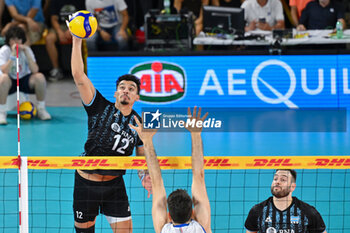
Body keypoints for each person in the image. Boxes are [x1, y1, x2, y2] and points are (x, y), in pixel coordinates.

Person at [70, 28, 152, 232]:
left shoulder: (139, 123)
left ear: (137, 98)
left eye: (131, 89)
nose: (126, 90)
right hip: (86, 183)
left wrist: (145, 176)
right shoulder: (98, 105)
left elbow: (141, 156)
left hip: (115, 186)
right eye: (122, 87)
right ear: (116, 93)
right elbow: (78, 75)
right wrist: (77, 40)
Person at [130, 107, 212, 233]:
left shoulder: (163, 228)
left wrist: (146, 141)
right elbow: (199, 176)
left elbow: (156, 183)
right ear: (193, 213)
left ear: (169, 215)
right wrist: (196, 134)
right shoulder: (202, 226)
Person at [245, 169, 327, 233]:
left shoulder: (308, 212)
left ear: (292, 187)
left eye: (283, 180)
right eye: (275, 178)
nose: (277, 182)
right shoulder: (258, 211)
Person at [0, 26, 51, 125]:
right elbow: (5, 71)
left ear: (22, 40)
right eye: (13, 39)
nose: (16, 42)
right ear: (8, 40)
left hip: (24, 79)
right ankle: (2, 113)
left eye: (18, 39)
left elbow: (35, 70)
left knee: (40, 77)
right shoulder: (4, 50)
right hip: (9, 82)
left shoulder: (26, 50)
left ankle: (41, 109)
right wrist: (13, 56)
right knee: (4, 78)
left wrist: (27, 53)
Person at [45, 0, 85, 81]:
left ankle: (80, 71)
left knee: (80, 39)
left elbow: (82, 17)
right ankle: (56, 69)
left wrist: (72, 29)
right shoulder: (55, 1)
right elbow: (53, 19)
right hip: (60, 26)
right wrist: (59, 31)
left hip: (76, 25)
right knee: (49, 39)